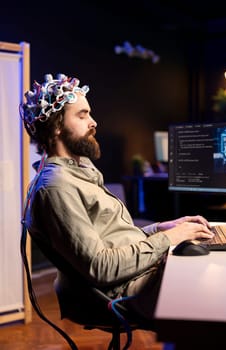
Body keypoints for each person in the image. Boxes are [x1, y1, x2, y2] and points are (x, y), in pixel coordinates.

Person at [20, 73, 214, 321]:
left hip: (139, 274)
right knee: (218, 293)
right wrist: (169, 238)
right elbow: (100, 267)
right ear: (56, 125)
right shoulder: (58, 187)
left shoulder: (80, 172)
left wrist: (159, 229)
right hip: (123, 292)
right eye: (82, 115)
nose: (94, 122)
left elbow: (113, 239)